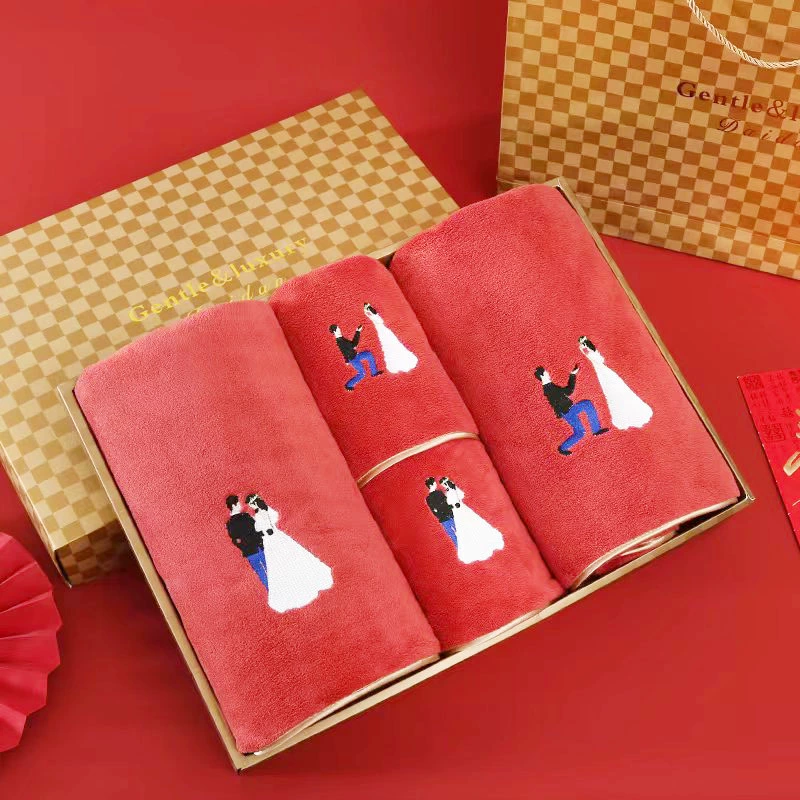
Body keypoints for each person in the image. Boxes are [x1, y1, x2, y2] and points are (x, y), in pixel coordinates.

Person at [245, 493, 333, 613]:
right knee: (279, 563)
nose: (251, 506)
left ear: (254, 503)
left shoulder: (265, 511)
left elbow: (273, 519)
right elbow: (260, 527)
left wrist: (265, 519)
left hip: (275, 538)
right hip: (268, 541)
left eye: (251, 504)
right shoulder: (258, 515)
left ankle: (304, 581)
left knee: (290, 557)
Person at [579, 336, 653, 430]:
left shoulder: (594, 354)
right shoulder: (585, 351)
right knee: (610, 389)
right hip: (600, 372)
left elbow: (598, 358)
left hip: (604, 371)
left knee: (616, 387)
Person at [533, 364, 609, 455]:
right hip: (568, 411)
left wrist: (573, 375)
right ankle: (596, 430)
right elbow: (569, 391)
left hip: (567, 411)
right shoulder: (549, 388)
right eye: (546, 373)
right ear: (542, 376)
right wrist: (572, 375)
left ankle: (563, 448)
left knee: (580, 432)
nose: (548, 373)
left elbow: (567, 392)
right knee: (587, 404)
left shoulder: (549, 387)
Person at [441, 477, 504, 564]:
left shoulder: (453, 489)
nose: (444, 486)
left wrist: (457, 501)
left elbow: (461, 495)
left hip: (461, 509)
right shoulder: (447, 492)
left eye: (444, 484)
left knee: (472, 523)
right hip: (456, 512)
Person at [225, 494, 268, 589]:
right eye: (238, 503)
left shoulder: (229, 524)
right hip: (257, 547)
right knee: (268, 569)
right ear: (234, 505)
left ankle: (270, 589)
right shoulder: (245, 516)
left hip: (249, 552)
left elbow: (236, 540)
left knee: (261, 572)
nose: (240, 505)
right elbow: (256, 529)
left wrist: (244, 546)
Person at [363, 303, 418, 374]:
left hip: (388, 337)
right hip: (387, 337)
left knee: (384, 333)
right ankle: (373, 314)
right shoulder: (397, 363)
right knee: (385, 335)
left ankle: (373, 314)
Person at [329, 323, 382, 391]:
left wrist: (346, 359)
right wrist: (358, 332)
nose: (339, 329)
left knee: (369, 355)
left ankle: (374, 372)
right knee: (362, 374)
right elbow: (354, 344)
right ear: (335, 331)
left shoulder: (340, 338)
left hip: (355, 355)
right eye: (338, 328)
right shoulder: (340, 341)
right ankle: (349, 385)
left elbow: (343, 351)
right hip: (353, 359)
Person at [424, 477, 457, 547]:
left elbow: (436, 510)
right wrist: (449, 508)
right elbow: (440, 507)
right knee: (454, 533)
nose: (436, 484)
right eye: (434, 483)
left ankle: (460, 547)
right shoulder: (436, 495)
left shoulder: (429, 498)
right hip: (447, 516)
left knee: (453, 534)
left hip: (444, 517)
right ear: (431, 485)